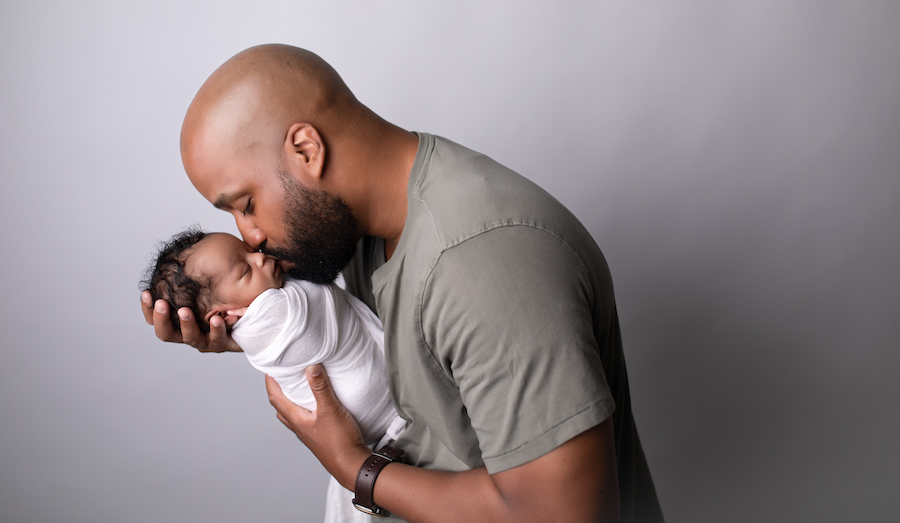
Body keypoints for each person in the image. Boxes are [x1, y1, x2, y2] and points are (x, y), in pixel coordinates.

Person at [141, 44, 664, 522]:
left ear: (305, 149)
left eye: (246, 205)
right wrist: (255, 330)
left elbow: (559, 515)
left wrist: (356, 470)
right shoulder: (364, 228)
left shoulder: (481, 261)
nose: (250, 237)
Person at [142, 228, 404, 523]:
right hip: (377, 419)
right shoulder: (274, 316)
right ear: (227, 315)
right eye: (245, 270)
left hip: (373, 421)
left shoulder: (257, 307)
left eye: (248, 250)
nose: (260, 257)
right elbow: (312, 297)